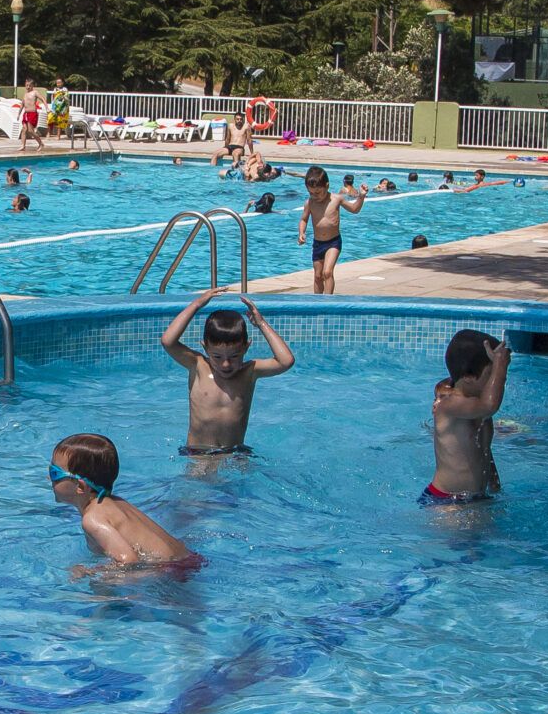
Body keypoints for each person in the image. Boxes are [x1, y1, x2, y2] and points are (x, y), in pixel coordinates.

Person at [160, 288, 293, 455]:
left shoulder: (249, 372)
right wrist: (197, 305)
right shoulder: (198, 365)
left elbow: (286, 361)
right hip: (199, 453)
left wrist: (261, 324)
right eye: (217, 356)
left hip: (235, 453)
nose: (225, 364)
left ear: (246, 347)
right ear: (205, 348)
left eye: (234, 356)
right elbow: (168, 341)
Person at [48, 434, 194, 566]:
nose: (49, 478)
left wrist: (89, 572)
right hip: (188, 558)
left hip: (172, 570)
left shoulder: (92, 519)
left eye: (54, 473)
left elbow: (128, 561)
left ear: (80, 486)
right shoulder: (116, 502)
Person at [427, 329, 511, 506]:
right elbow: (490, 405)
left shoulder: (476, 407)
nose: (495, 379)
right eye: (491, 373)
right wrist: (500, 366)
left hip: (476, 497)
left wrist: (494, 483)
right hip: (447, 502)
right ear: (468, 377)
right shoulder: (450, 405)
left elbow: (482, 449)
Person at [297, 165, 365, 295]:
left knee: (327, 272)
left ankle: (328, 301)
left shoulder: (336, 199)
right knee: (318, 276)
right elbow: (304, 219)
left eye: (318, 193)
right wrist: (301, 232)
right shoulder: (309, 203)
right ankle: (317, 301)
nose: (314, 196)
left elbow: (354, 209)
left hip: (333, 242)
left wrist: (361, 197)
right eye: (311, 193)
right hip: (318, 243)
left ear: (327, 186)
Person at [20, 80, 46, 150]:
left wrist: (47, 107)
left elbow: (42, 99)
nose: (28, 87)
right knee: (24, 130)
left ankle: (41, 143)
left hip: (32, 113)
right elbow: (22, 105)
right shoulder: (25, 94)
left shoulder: (35, 92)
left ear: (32, 86)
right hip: (26, 113)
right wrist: (19, 114)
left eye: (30, 85)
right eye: (27, 85)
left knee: (30, 131)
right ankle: (23, 146)